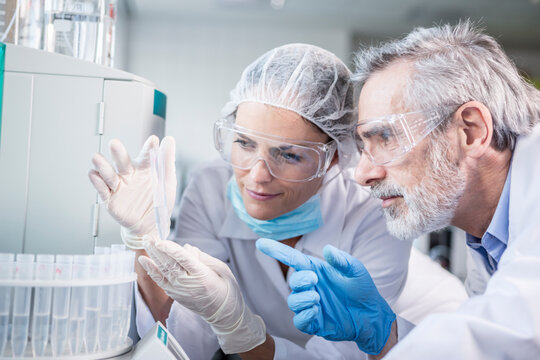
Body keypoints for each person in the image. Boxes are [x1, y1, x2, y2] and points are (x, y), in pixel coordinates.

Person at [89, 43, 413, 360]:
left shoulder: (374, 214)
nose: (257, 176)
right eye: (244, 142)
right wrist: (145, 239)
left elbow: (339, 356)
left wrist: (239, 330)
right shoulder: (211, 187)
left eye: (288, 154)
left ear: (332, 159)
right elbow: (180, 343)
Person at [257, 21, 540, 359]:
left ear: (470, 130)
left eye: (386, 138)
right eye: (363, 146)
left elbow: (507, 337)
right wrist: (383, 332)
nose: (362, 175)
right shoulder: (491, 239)